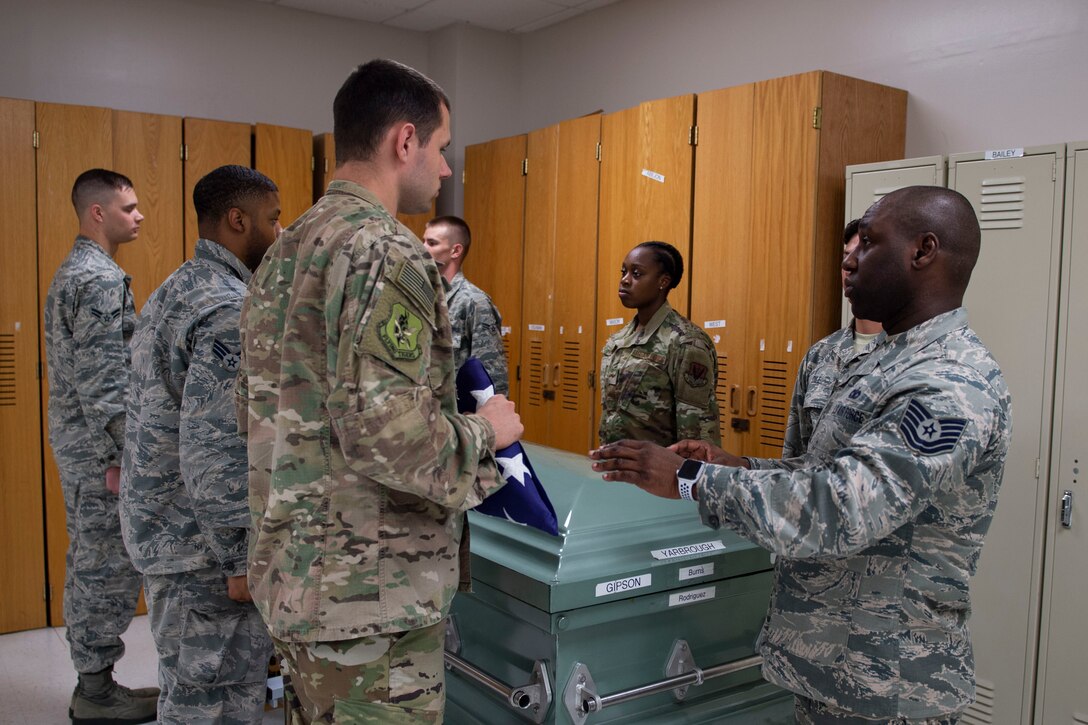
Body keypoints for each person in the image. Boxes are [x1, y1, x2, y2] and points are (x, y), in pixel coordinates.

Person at [589, 186, 1012, 723]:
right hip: (831, 666)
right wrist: (738, 467)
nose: (850, 261)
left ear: (922, 252)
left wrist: (692, 479)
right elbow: (822, 472)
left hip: (891, 686)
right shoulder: (883, 360)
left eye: (870, 244)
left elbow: (840, 507)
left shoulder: (949, 384)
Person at [238, 59, 523, 723]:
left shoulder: (285, 251)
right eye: (442, 147)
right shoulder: (385, 251)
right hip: (368, 602)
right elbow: (390, 436)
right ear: (404, 141)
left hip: (299, 580)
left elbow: (261, 412)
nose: (446, 168)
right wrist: (491, 431)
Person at [120, 165, 281, 724]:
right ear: (238, 220)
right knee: (214, 708)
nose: (280, 232)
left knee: (188, 694)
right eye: (272, 218)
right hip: (206, 552)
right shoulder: (227, 309)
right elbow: (218, 446)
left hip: (172, 532)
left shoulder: (177, 287)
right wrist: (240, 557)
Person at [44, 168, 159, 725]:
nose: (138, 216)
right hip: (99, 454)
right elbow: (103, 380)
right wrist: (122, 458)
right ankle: (94, 692)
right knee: (102, 565)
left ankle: (97, 681)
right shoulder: (97, 280)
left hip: (81, 445)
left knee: (92, 558)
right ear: (98, 212)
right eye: (128, 207)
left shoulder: (78, 271)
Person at [598, 241, 720, 446]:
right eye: (624, 272)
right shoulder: (619, 339)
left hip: (658, 473)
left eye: (636, 274)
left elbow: (697, 433)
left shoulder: (686, 343)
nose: (625, 280)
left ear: (663, 282)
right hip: (616, 465)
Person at [783, 218, 883, 458]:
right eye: (847, 256)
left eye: (862, 255)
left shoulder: (913, 356)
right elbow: (795, 454)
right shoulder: (820, 354)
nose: (849, 265)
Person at [422, 215, 510, 394]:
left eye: (432, 243)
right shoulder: (424, 296)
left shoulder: (474, 302)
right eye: (422, 241)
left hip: (456, 415)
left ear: (455, 251)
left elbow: (492, 378)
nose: (423, 249)